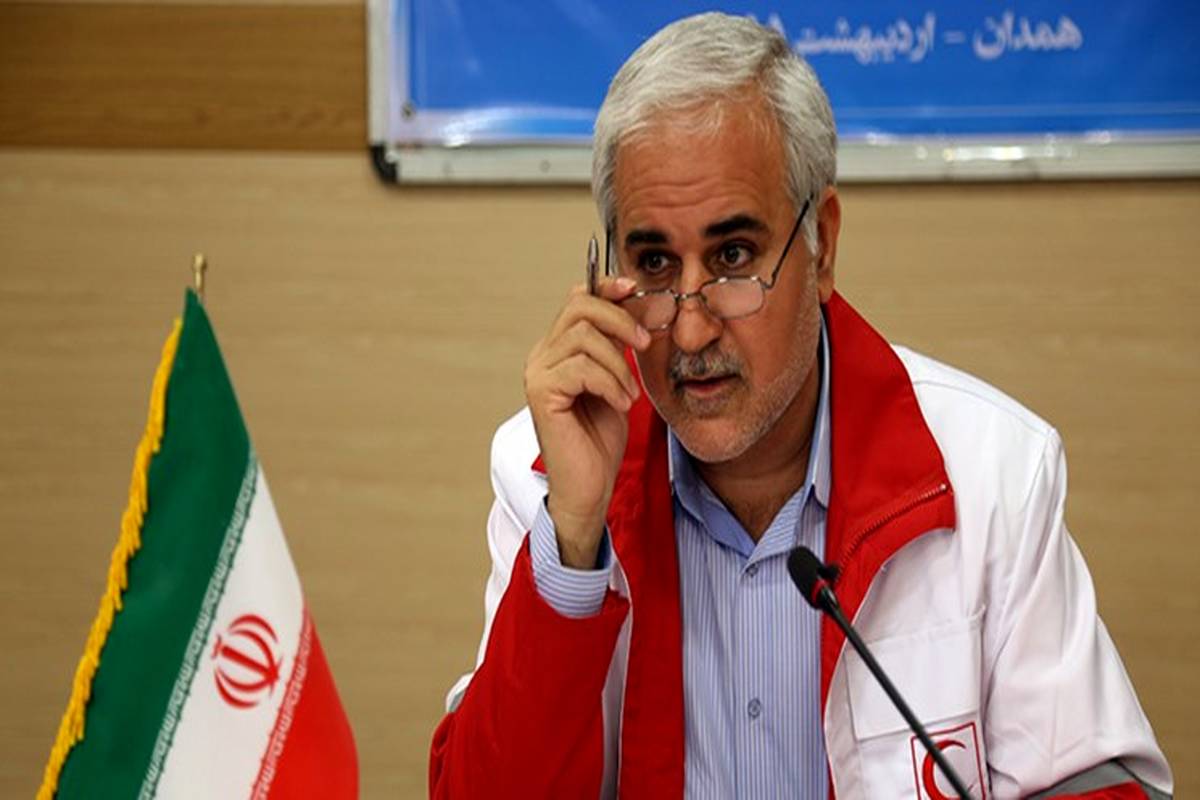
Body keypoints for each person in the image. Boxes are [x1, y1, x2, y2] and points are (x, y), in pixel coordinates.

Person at [429, 12, 1172, 799]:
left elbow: (1096, 786)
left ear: (823, 247)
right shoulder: (550, 472)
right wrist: (574, 541)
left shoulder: (991, 470)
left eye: (733, 257)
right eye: (654, 263)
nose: (690, 328)